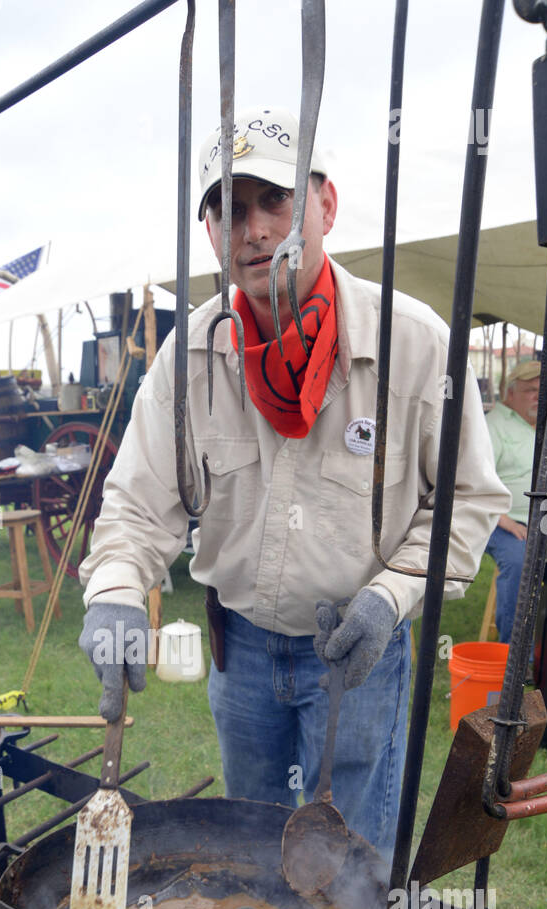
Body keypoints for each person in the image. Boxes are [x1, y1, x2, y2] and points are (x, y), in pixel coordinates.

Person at [78, 105, 510, 863]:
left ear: (325, 205)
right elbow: (139, 502)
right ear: (209, 231)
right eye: (228, 210)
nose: (252, 230)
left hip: (357, 651)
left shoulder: (411, 345)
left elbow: (466, 500)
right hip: (241, 651)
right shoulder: (190, 356)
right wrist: (115, 589)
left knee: (350, 858)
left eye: (274, 200)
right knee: (252, 847)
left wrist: (392, 595)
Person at [484, 357, 547, 642]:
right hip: (514, 524)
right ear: (510, 393)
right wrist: (500, 518)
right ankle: (517, 654)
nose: (539, 397)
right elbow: (468, 481)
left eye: (544, 391)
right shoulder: (493, 426)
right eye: (531, 390)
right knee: (521, 563)